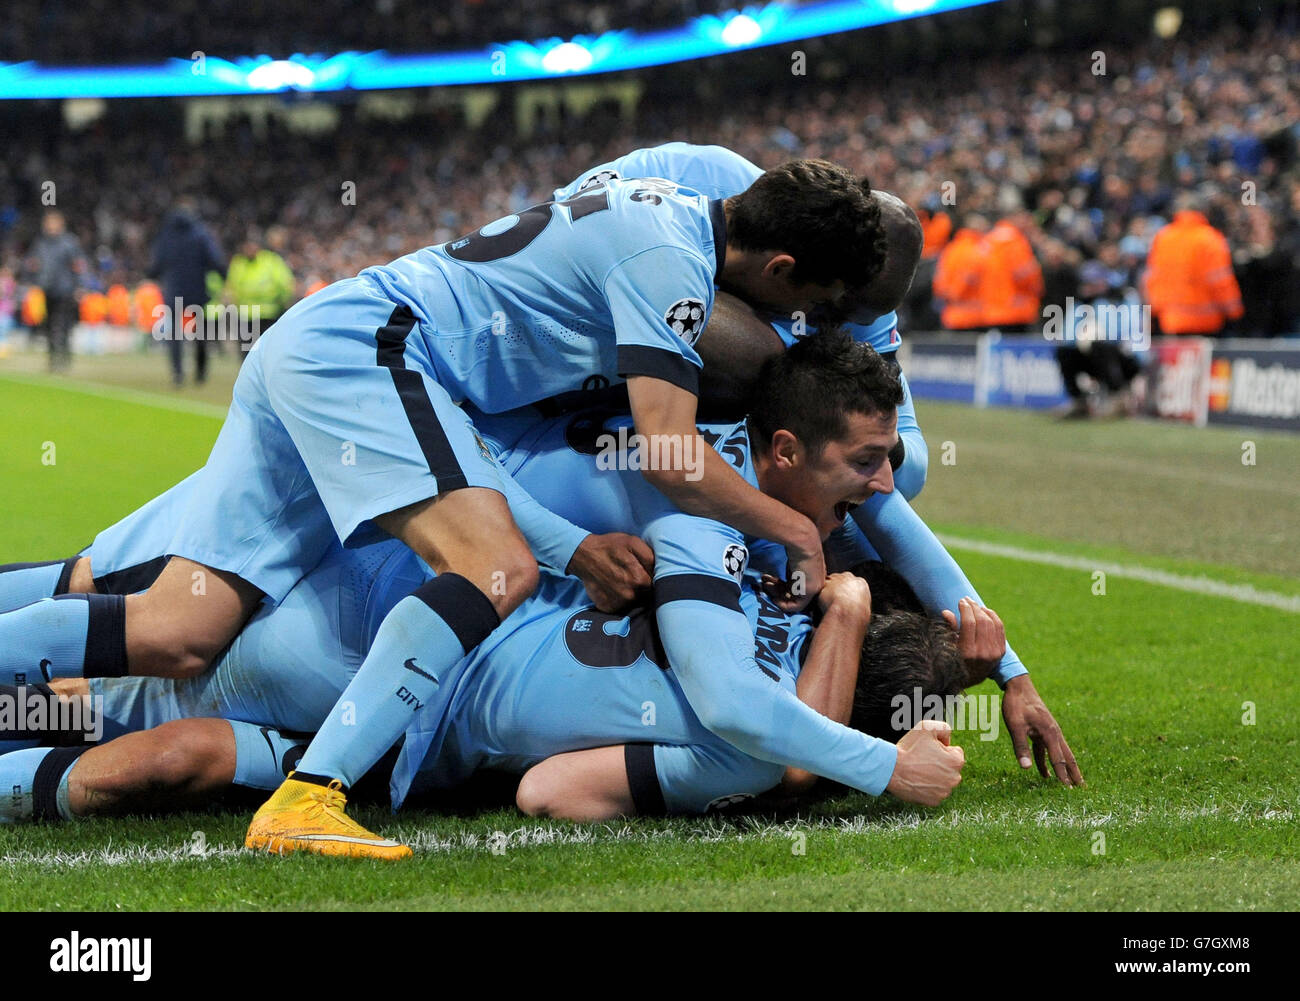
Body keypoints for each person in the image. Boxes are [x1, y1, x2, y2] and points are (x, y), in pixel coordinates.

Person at [0, 162, 886, 856]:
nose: (796, 328)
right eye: (805, 304)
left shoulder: (659, 200)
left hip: (326, 342)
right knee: (495, 566)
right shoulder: (670, 267)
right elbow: (667, 449)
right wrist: (796, 528)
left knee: (176, 628)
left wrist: (579, 546)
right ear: (779, 267)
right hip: (377, 353)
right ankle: (312, 796)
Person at [148, 199, 226, 386]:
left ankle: (178, 373)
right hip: (197, 290)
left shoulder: (166, 235)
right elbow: (214, 260)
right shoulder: (201, 234)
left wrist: (153, 275)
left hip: (173, 290)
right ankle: (200, 373)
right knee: (200, 333)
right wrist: (223, 275)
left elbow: (156, 264)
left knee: (174, 334)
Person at [1144, 194, 1244, 335]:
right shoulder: (1210, 238)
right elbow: (1220, 280)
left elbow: (1152, 279)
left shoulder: (1163, 238)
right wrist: (1234, 311)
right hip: (1205, 321)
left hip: (1170, 320)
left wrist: (1154, 312)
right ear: (1203, 212)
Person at [24, 211, 85, 371]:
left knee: (63, 324)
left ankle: (64, 357)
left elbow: (78, 265)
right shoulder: (41, 243)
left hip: (65, 290)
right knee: (50, 325)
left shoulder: (69, 243)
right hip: (47, 290)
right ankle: (53, 358)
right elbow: (32, 264)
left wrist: (79, 286)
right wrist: (32, 279)